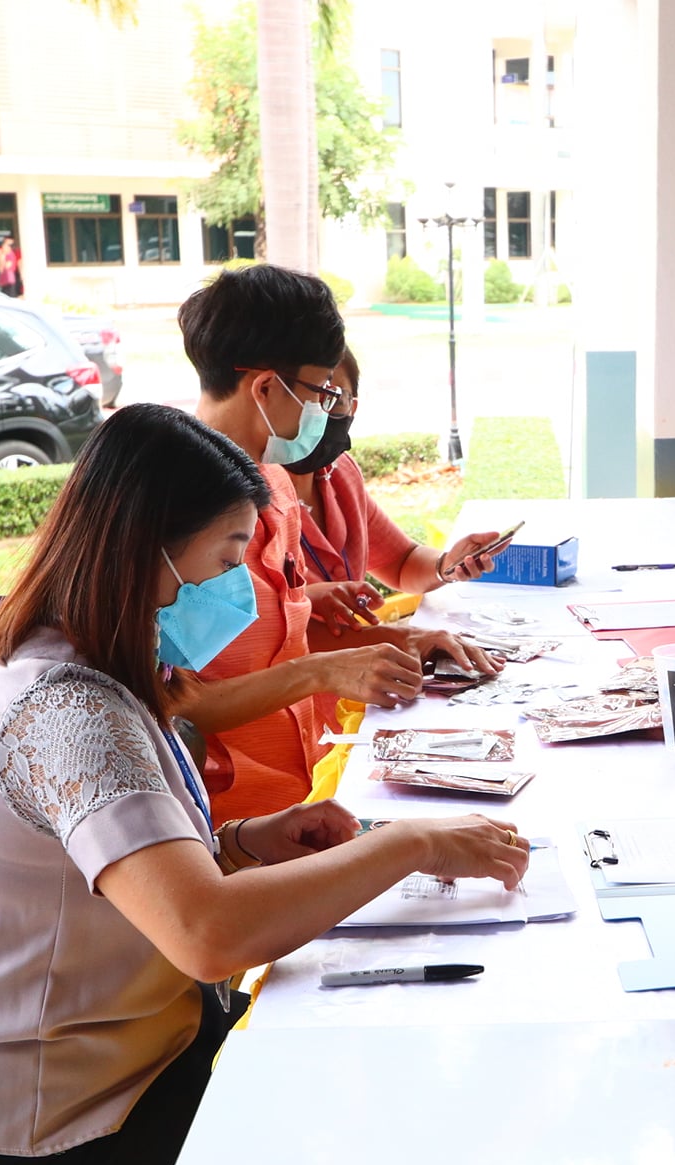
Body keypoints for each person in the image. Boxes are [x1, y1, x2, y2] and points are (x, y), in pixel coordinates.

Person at [0, 402, 527, 1165]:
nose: (238, 588)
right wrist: (411, 843)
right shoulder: (67, 712)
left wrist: (243, 842)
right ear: (144, 550)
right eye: (229, 559)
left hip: (111, 1071)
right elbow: (208, 935)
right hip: (44, 1142)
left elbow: (122, 875)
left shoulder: (82, 666)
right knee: (377, 1135)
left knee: (367, 1066)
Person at [173, 265, 485, 824]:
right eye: (321, 393)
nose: (325, 412)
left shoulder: (273, 483)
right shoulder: (174, 505)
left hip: (292, 807)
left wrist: (388, 640)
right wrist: (325, 671)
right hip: (217, 825)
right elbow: (175, 702)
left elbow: (277, 632)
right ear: (266, 388)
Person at [283, 344, 510, 730]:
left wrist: (446, 565)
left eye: (334, 397)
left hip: (362, 696)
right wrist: (404, 639)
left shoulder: (339, 473)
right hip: (295, 710)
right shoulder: (252, 497)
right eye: (312, 395)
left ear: (353, 405)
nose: (320, 410)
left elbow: (401, 562)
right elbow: (274, 631)